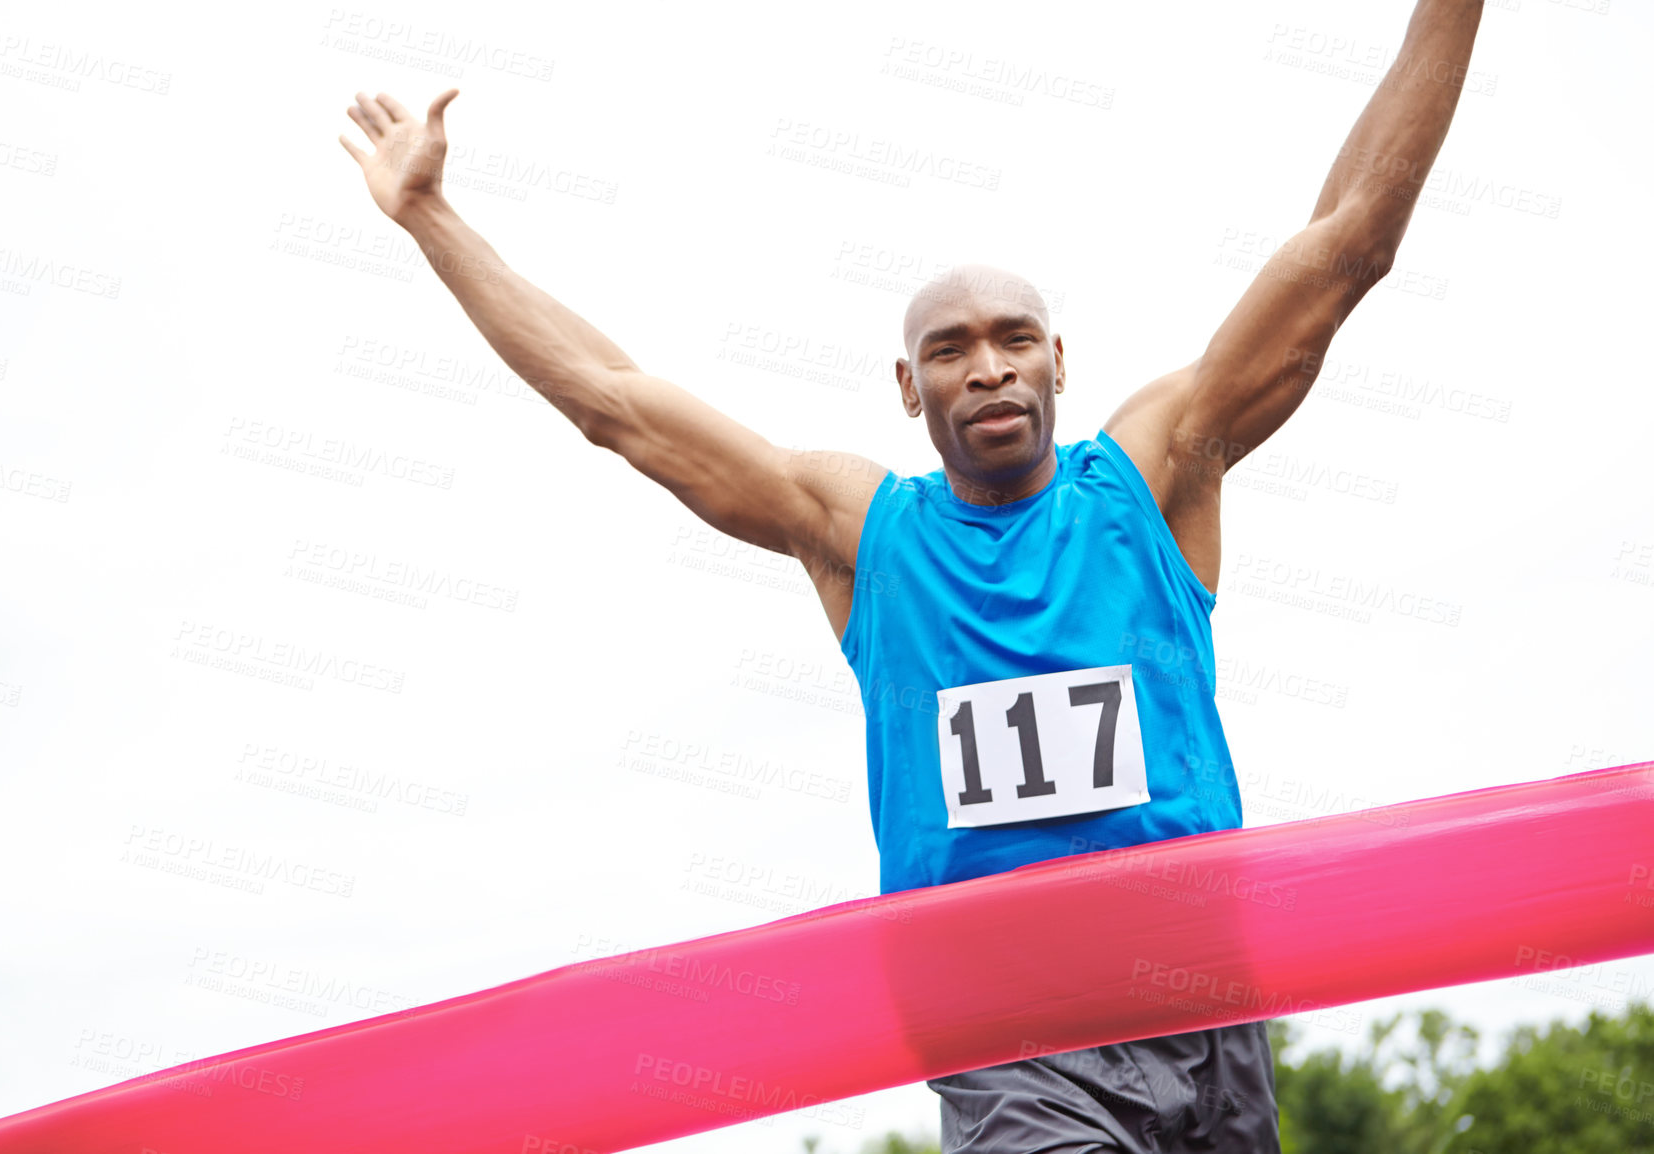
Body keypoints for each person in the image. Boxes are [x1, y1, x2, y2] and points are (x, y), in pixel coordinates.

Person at [338, 2, 1483, 1148]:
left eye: (1013, 338)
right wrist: (432, 217)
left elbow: (1347, 245)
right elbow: (614, 402)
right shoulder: (859, 530)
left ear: (1058, 362)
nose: (987, 368)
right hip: (1010, 1042)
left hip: (1204, 1012)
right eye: (950, 350)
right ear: (907, 386)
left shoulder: (1157, 471)